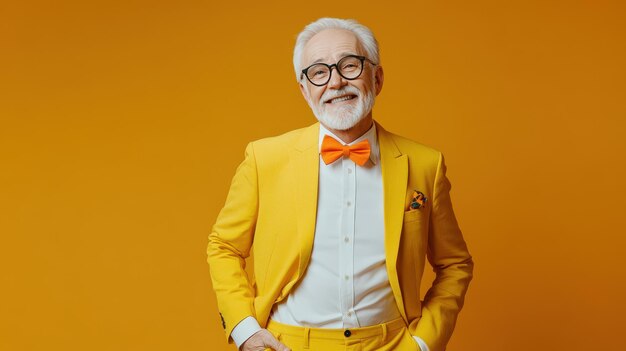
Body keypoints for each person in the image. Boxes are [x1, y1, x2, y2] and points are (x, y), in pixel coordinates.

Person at [207, 17, 473, 351]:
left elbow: (454, 264)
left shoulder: (425, 164)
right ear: (305, 90)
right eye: (319, 72)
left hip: (391, 344)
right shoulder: (264, 158)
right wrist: (245, 330)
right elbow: (224, 246)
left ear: (376, 78)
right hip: (286, 344)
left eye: (350, 65)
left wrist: (422, 343)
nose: (335, 82)